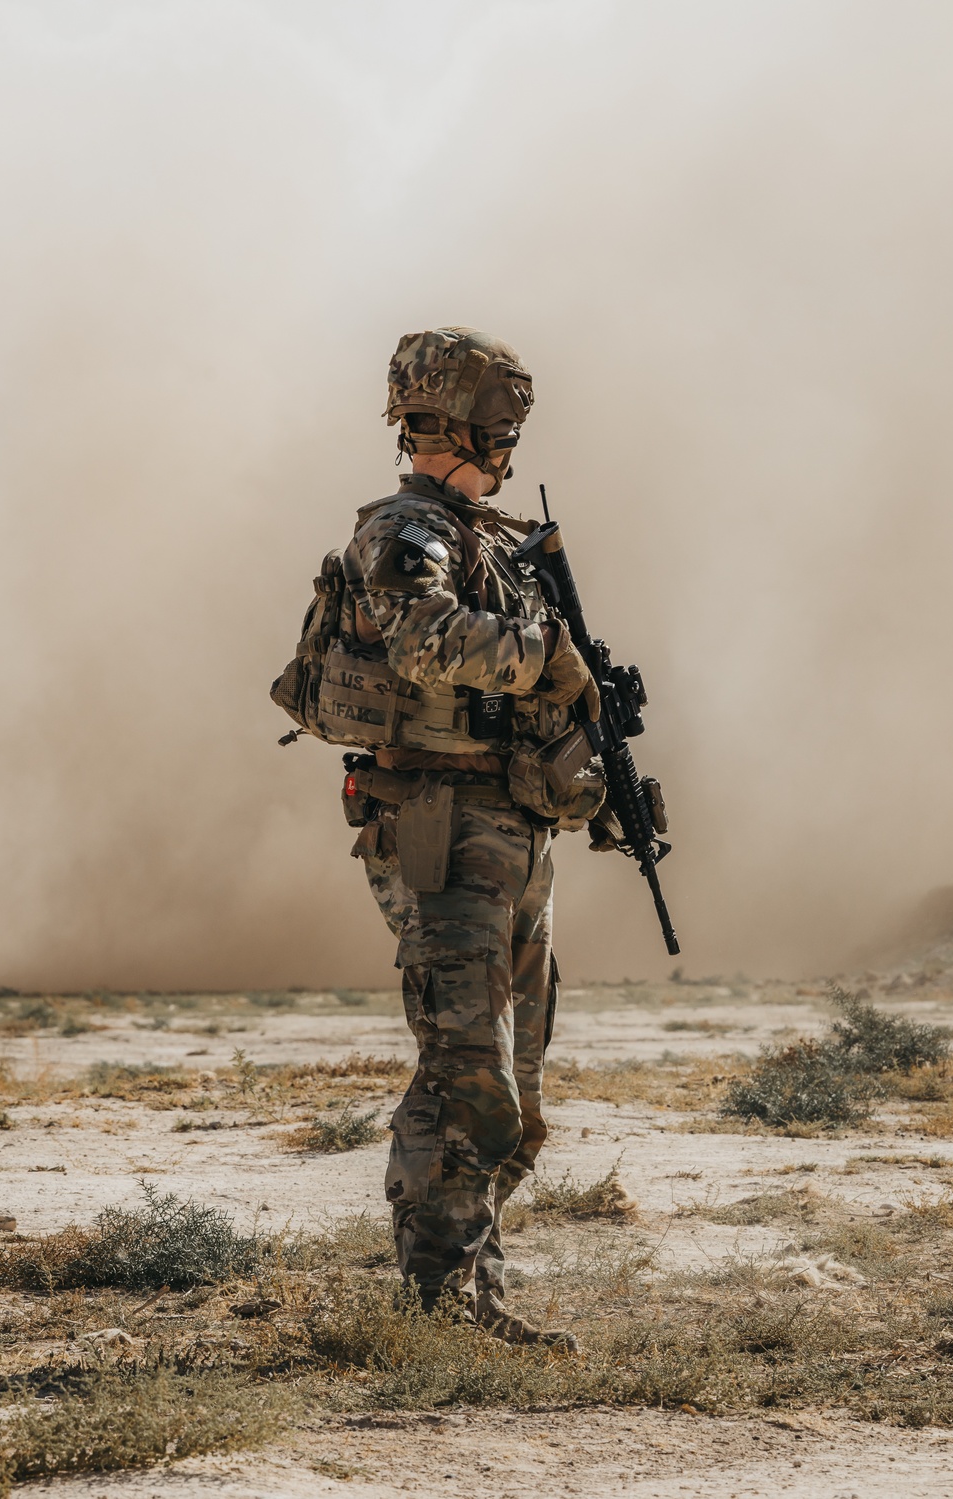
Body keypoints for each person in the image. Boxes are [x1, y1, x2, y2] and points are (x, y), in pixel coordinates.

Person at [341, 327, 604, 1348]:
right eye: (500, 428)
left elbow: (539, 695)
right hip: (441, 831)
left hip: (512, 832)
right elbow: (424, 641)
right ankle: (436, 1304)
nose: (509, 447)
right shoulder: (408, 534)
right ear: (451, 424)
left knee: (516, 1084)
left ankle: (471, 1287)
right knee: (467, 1073)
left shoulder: (490, 538)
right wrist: (548, 656)